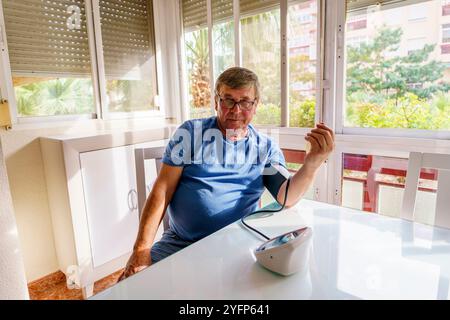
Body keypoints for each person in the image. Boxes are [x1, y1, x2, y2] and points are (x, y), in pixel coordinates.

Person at [118, 67, 334, 281]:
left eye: (245, 102)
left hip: (238, 245)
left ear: (255, 105)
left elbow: (285, 197)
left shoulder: (264, 148)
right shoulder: (190, 133)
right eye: (228, 100)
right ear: (216, 102)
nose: (235, 109)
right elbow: (162, 189)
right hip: (180, 243)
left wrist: (312, 163)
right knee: (129, 286)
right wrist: (141, 249)